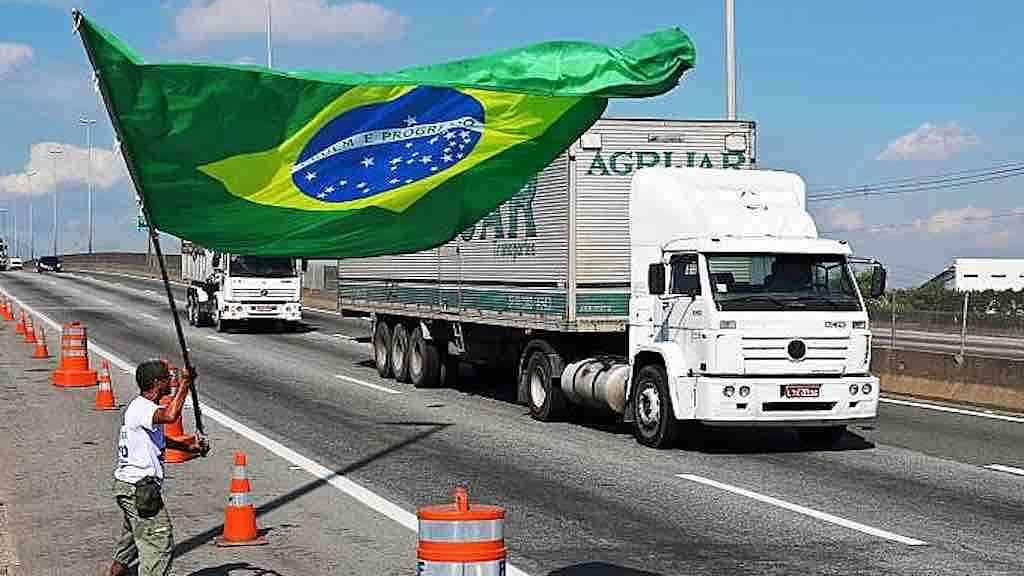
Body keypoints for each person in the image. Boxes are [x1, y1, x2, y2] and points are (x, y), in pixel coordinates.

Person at [107, 360, 208, 576]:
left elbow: (159, 441)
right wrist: (185, 384)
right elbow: (171, 416)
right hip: (139, 489)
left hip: (130, 487)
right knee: (159, 542)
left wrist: (189, 446)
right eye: (167, 378)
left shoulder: (145, 409)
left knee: (131, 544)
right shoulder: (142, 408)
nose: (171, 381)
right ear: (156, 383)